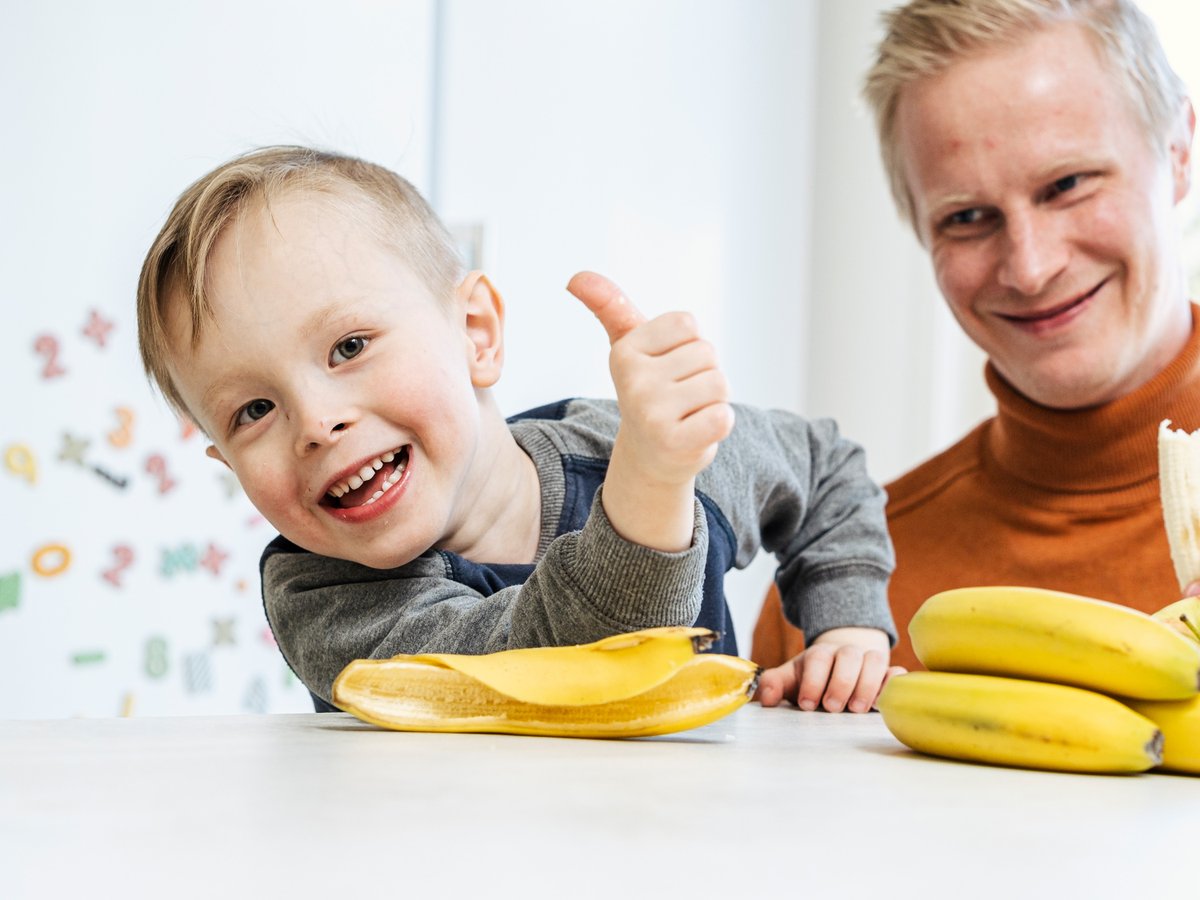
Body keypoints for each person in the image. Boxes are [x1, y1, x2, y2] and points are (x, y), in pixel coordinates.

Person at [136, 145, 901, 713]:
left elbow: (824, 467)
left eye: (349, 347)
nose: (316, 422)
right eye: (254, 411)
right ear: (227, 463)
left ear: (475, 332)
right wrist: (652, 487)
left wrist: (848, 630)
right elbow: (560, 678)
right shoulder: (329, 601)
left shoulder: (622, 446)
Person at [754, 0, 1200, 697]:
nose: (1030, 267)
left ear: (1177, 153)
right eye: (966, 218)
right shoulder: (840, 589)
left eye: (1067, 185)